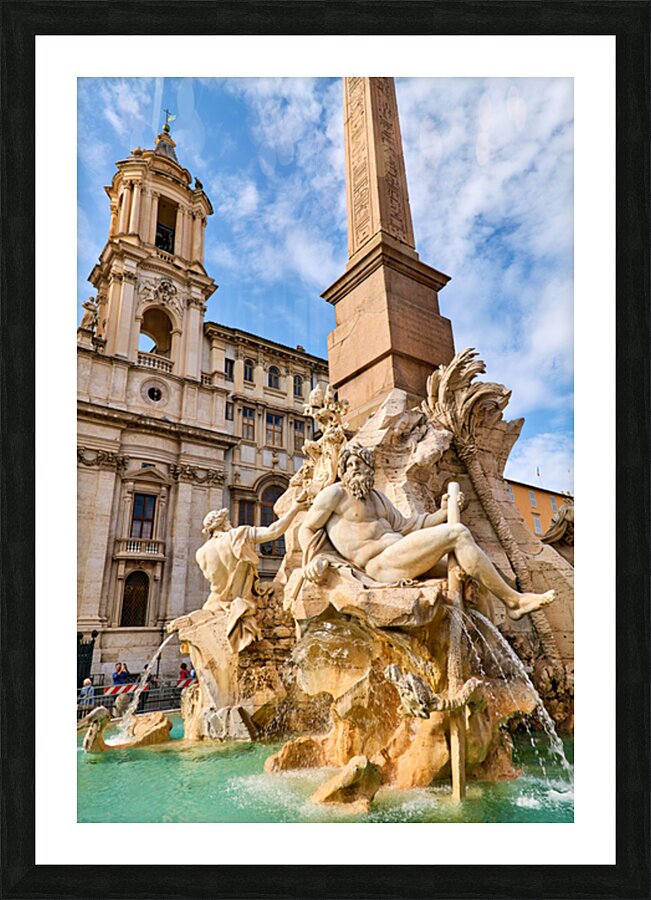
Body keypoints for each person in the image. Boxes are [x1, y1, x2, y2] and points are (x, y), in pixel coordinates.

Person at [298, 444, 555, 621]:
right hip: (378, 566)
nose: (355, 468)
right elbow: (307, 527)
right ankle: (514, 601)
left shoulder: (377, 498)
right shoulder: (335, 494)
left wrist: (443, 512)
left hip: (400, 553)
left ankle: (485, 648)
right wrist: (312, 560)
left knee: (474, 577)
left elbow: (409, 526)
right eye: (350, 465)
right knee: (457, 534)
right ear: (342, 471)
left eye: (360, 464)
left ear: (369, 469)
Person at [195, 493, 309, 652]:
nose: (229, 522)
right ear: (221, 523)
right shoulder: (238, 535)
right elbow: (273, 531)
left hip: (215, 605)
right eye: (227, 520)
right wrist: (295, 508)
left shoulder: (201, 552)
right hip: (244, 603)